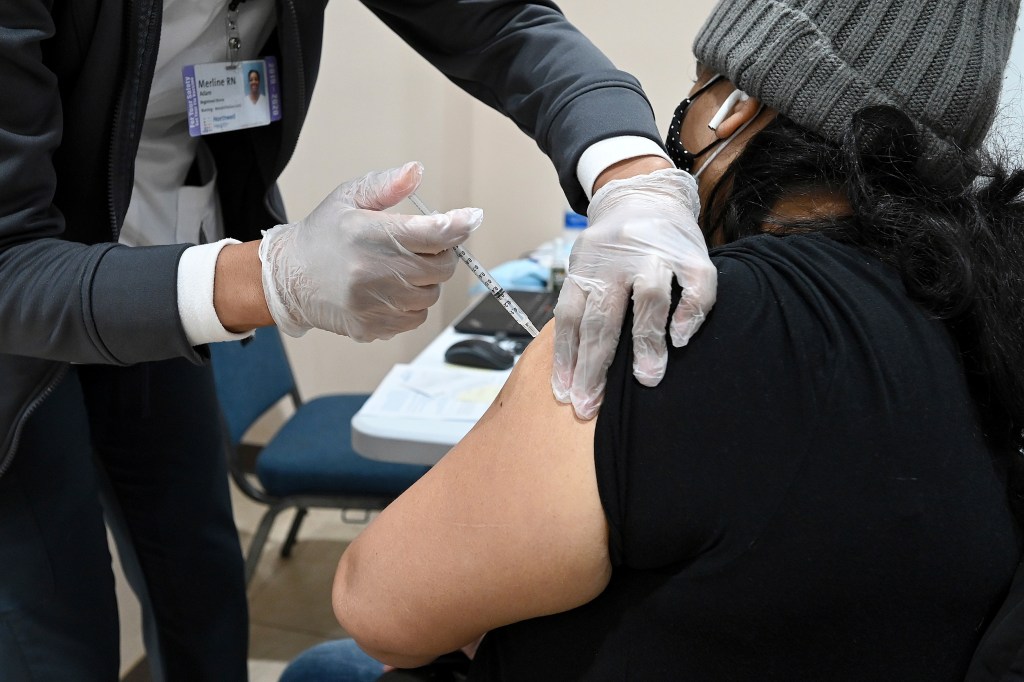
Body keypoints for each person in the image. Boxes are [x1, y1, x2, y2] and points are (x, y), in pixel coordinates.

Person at [0, 1, 713, 679]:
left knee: (201, 581)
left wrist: (630, 170)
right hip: (17, 331)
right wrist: (268, 278)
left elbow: (501, 22)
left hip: (166, 285)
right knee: (58, 630)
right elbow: (11, 266)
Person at [317, 0, 1024, 679]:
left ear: (732, 105)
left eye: (693, 93)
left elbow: (377, 605)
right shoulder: (981, 317)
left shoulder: (679, 320)